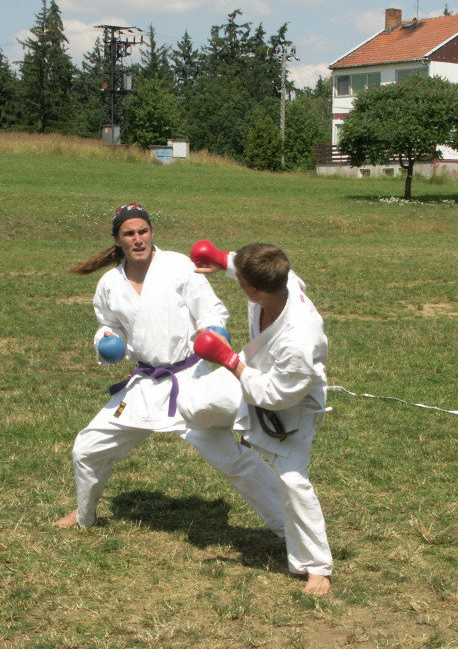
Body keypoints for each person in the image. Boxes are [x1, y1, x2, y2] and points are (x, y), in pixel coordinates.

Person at [54, 204, 286, 549]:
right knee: (87, 448)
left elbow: (211, 310)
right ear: (118, 240)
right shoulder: (109, 284)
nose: (138, 239)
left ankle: (291, 531)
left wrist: (214, 331)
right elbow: (107, 323)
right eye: (129, 234)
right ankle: (84, 515)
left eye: (143, 231)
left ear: (151, 232)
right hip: (144, 386)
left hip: (189, 383)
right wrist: (105, 340)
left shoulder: (178, 266)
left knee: (233, 460)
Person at [180, 240, 333, 596]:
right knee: (192, 409)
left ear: (251, 291)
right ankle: (242, 451)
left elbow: (275, 396)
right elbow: (253, 266)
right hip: (252, 374)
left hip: (292, 403)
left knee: (292, 481)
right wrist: (222, 260)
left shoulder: (299, 337)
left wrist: (228, 359)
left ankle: (317, 567)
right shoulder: (280, 280)